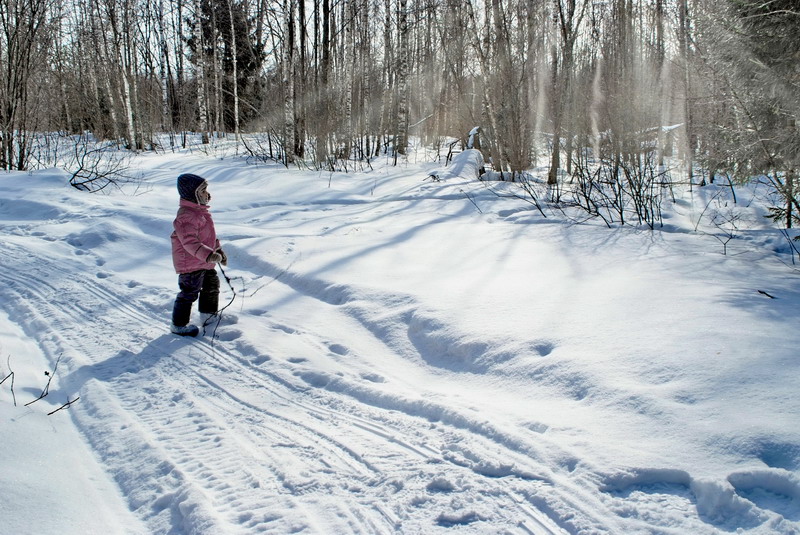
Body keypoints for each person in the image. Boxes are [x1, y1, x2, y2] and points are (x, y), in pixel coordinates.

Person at [170, 173, 227, 336]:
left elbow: (208, 237)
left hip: (203, 260)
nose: (207, 194)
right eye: (203, 191)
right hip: (190, 263)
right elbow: (189, 242)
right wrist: (208, 255)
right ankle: (178, 325)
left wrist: (217, 250)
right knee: (189, 291)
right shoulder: (186, 216)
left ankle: (208, 315)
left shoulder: (201, 212)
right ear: (192, 194)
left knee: (211, 284)